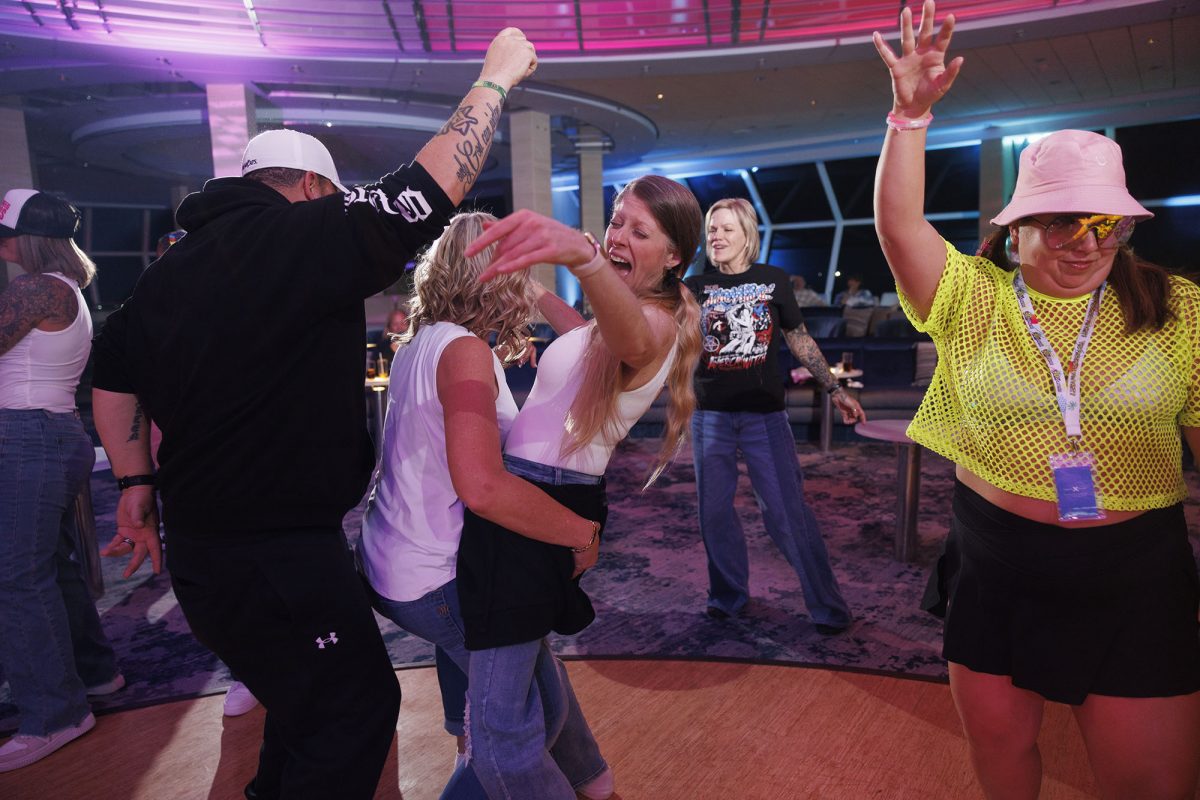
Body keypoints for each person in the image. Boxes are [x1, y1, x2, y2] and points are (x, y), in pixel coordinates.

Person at [90, 28, 538, 800]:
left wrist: (134, 485)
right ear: (310, 189)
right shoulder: (298, 236)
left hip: (203, 552)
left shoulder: (165, 274)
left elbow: (112, 380)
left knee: (302, 707)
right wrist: (496, 78)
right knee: (350, 712)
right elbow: (430, 188)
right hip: (275, 555)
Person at [873, 2, 1200, 797]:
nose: (1085, 243)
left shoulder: (1179, 310)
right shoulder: (972, 298)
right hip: (998, 562)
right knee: (1004, 761)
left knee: (1153, 784)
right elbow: (899, 227)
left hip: (1137, 572)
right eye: (1059, 223)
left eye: (1105, 224)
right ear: (1013, 232)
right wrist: (909, 118)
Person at [457, 174, 703, 799]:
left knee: (496, 718)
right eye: (617, 222)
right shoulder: (618, 321)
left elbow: (628, 339)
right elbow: (586, 336)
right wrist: (535, 287)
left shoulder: (657, 322)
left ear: (674, 256)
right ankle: (592, 779)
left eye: (639, 231)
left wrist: (586, 260)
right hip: (541, 490)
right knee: (524, 657)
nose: (619, 236)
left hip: (543, 495)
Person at [359, 211, 612, 799]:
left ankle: (591, 779)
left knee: (541, 695)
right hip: (437, 577)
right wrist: (581, 533)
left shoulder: (424, 341)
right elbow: (482, 487)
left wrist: (532, 284)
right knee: (517, 737)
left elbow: (591, 348)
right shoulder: (465, 351)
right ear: (497, 277)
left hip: (392, 559)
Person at [686, 197, 862, 632]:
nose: (717, 236)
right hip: (710, 417)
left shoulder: (773, 280)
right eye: (712, 229)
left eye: (727, 228)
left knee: (786, 514)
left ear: (747, 234)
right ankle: (727, 596)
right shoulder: (694, 286)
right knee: (714, 515)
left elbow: (799, 339)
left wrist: (834, 388)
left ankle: (827, 606)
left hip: (764, 418)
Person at [0, 189, 125, 772]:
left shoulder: (35, 289)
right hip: (47, 434)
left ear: (26, 239)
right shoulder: (63, 287)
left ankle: (55, 714)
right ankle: (95, 674)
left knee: (16, 579)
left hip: (28, 436)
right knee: (47, 567)